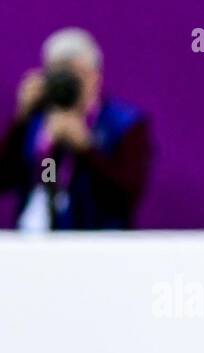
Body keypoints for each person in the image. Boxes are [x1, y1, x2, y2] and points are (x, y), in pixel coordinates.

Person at [0, 27, 151, 230]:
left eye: (75, 75)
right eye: (58, 74)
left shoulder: (124, 124)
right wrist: (20, 120)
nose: (66, 83)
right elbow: (5, 179)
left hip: (100, 244)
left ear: (96, 77)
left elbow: (126, 195)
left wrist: (86, 148)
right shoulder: (35, 122)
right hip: (36, 241)